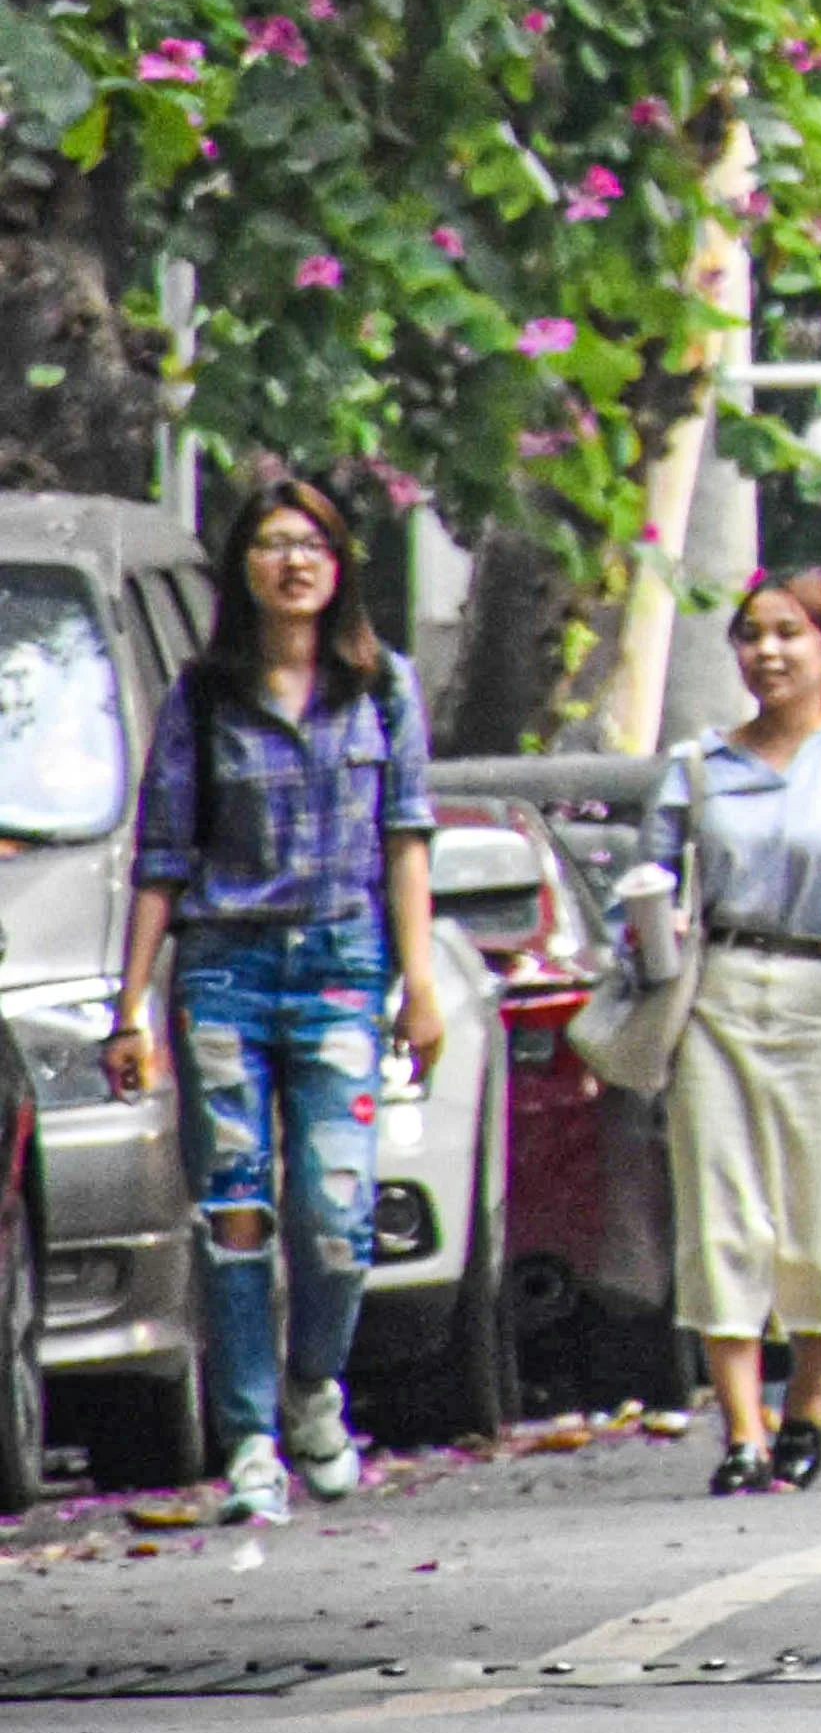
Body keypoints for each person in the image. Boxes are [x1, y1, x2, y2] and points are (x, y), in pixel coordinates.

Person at [105, 475, 445, 1530]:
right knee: (235, 1217)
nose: (293, 562)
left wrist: (419, 981)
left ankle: (314, 1391)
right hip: (222, 976)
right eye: (271, 543)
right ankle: (251, 1437)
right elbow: (161, 857)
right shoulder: (203, 698)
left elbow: (407, 840)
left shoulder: (382, 687)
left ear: (341, 567)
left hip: (343, 968)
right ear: (242, 566)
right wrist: (129, 1008)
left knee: (336, 1215)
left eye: (313, 545)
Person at [656, 565, 821, 1495]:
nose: (766, 651)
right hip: (718, 998)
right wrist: (649, 919)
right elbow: (649, 878)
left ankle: (806, 1396)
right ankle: (741, 1431)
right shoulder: (697, 767)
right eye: (751, 634)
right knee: (720, 1212)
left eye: (787, 633)